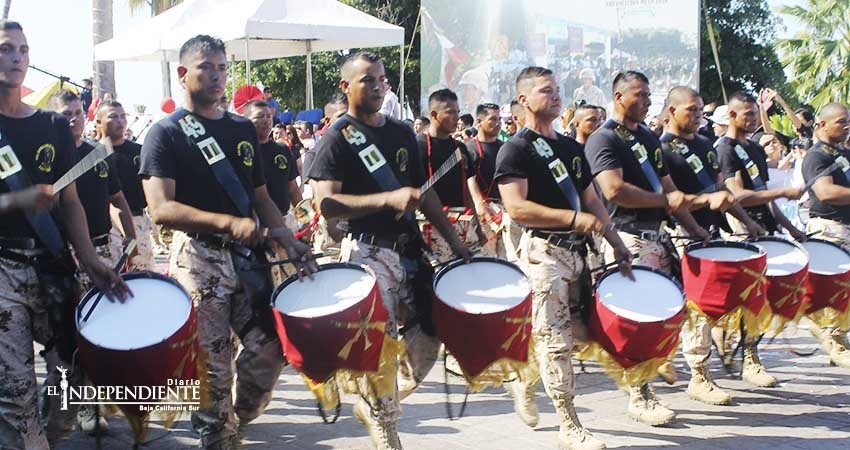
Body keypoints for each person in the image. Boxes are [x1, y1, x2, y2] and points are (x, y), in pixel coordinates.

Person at [139, 34, 314, 450]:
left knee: (270, 350)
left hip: (248, 259)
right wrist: (227, 223)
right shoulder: (164, 134)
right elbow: (161, 208)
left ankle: (234, 417)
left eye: (222, 67)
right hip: (199, 259)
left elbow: (261, 198)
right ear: (183, 74)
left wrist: (289, 239)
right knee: (213, 370)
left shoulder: (239, 129)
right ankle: (218, 431)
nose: (217, 76)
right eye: (206, 67)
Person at [308, 51, 471, 450]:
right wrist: (387, 199)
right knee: (379, 345)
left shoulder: (402, 133)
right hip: (368, 253)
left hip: (410, 252)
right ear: (346, 86)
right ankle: (386, 428)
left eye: (382, 79)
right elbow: (326, 203)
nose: (379, 86)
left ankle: (381, 401)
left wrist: (455, 243)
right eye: (368, 80)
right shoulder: (336, 137)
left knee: (429, 339)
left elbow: (422, 195)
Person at [0, 20, 129, 450]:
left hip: (54, 265)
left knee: (71, 379)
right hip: (2, 270)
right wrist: (13, 203)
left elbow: (70, 201)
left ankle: (45, 438)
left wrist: (91, 260)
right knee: (15, 392)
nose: (16, 57)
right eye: (6, 49)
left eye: (22, 49)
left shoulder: (54, 127)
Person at [585, 71, 734, 426]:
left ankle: (695, 376)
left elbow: (670, 194)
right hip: (628, 237)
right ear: (619, 96)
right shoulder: (602, 139)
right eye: (640, 94)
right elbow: (613, 190)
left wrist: (696, 230)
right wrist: (666, 199)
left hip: (658, 236)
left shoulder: (649, 139)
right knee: (638, 320)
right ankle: (640, 395)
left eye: (649, 94)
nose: (647, 101)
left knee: (672, 316)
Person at [495, 66, 633, 450]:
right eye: (545, 91)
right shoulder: (516, 148)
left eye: (557, 90)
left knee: (580, 335)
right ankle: (569, 424)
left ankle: (523, 378)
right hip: (544, 254)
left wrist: (615, 241)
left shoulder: (571, 148)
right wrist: (575, 219)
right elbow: (517, 208)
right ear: (523, 100)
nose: (556, 96)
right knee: (555, 339)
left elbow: (592, 200)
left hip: (580, 254)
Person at [659, 86, 764, 405]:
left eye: (700, 110)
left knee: (703, 307)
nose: (697, 116)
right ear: (671, 112)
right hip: (682, 236)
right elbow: (672, 200)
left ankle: (688, 362)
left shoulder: (705, 145)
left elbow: (722, 191)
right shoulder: (662, 149)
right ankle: (698, 374)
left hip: (710, 235)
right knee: (692, 308)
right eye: (691, 110)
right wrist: (694, 229)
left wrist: (747, 222)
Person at [53, 91, 138, 435]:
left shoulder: (98, 155)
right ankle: (73, 406)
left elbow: (117, 200)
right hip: (64, 257)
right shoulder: (49, 156)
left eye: (77, 112)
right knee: (72, 336)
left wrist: (130, 238)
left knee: (104, 328)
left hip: (103, 253)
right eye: (65, 113)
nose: (73, 118)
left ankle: (100, 401)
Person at [714, 91, 806, 388]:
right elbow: (735, 194)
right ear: (732, 115)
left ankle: (750, 357)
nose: (752, 119)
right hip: (741, 230)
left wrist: (789, 227)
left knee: (763, 298)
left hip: (765, 228)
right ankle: (732, 344)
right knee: (743, 298)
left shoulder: (754, 149)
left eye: (755, 113)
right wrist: (777, 196)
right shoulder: (725, 149)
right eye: (747, 114)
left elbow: (765, 194)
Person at [798, 102, 850, 368]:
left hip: (845, 227)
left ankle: (838, 338)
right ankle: (833, 341)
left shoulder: (841, 153)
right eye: (841, 122)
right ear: (821, 124)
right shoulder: (817, 156)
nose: (847, 126)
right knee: (834, 289)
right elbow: (826, 192)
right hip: (830, 228)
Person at [418, 89, 484, 262]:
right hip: (429, 228)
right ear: (433, 114)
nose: (457, 118)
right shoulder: (417, 146)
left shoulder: (461, 148)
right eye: (451, 112)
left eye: (458, 112)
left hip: (463, 226)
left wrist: (477, 227)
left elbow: (467, 190)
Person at [96, 99, 154, 270]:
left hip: (138, 221)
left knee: (142, 276)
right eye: (113, 117)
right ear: (99, 122)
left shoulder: (139, 151)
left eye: (123, 116)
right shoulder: (91, 154)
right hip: (108, 225)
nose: (120, 121)